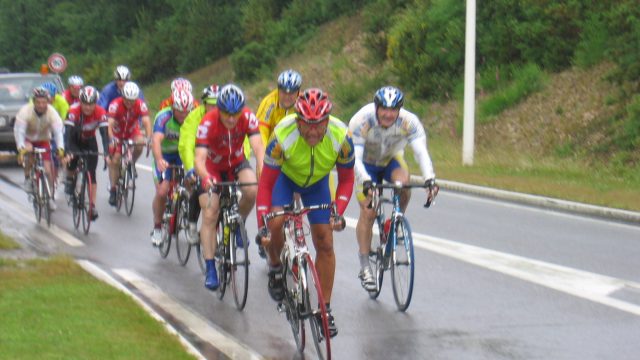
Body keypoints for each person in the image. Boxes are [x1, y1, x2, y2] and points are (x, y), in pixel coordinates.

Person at [255, 88, 355, 338]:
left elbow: (346, 180)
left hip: (318, 184)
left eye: (318, 125)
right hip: (285, 180)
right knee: (276, 223)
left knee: (325, 241)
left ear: (327, 121)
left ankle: (325, 309)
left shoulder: (341, 137)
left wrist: (337, 212)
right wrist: (263, 226)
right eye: (307, 124)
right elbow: (265, 185)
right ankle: (276, 268)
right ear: (298, 121)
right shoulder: (281, 137)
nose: (312, 131)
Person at [348, 86, 438, 291]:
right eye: (384, 110)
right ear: (376, 107)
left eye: (393, 110)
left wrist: (430, 179)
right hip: (365, 164)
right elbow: (355, 158)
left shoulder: (409, 122)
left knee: (404, 183)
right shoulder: (362, 120)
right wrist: (365, 181)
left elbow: (421, 152)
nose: (388, 114)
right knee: (368, 211)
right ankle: (365, 266)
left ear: (399, 110)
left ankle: (394, 221)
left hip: (390, 159)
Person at [194, 84, 264, 290]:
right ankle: (210, 267)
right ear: (219, 110)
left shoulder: (248, 117)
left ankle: (236, 225)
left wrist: (261, 167)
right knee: (210, 213)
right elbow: (199, 159)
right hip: (212, 168)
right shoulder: (207, 123)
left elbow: (258, 147)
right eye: (226, 114)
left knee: (252, 189)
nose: (232, 119)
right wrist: (206, 178)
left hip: (235, 162)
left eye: (235, 114)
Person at [251, 69, 303, 258]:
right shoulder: (269, 103)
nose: (287, 96)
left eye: (292, 92)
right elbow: (261, 133)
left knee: (297, 189)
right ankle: (265, 230)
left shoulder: (302, 105)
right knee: (268, 191)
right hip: (272, 152)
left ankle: (295, 221)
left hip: (293, 152)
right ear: (278, 89)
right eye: (284, 91)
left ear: (298, 91)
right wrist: (262, 158)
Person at [150, 89, 195, 245]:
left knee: (193, 182)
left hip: (183, 154)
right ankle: (157, 227)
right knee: (162, 191)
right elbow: (156, 140)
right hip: (165, 155)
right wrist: (159, 159)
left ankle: (189, 217)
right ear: (173, 108)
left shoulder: (194, 117)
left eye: (186, 112)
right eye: (179, 112)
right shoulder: (163, 117)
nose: (183, 115)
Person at [178, 84, 219, 244]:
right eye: (210, 104)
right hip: (198, 157)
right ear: (204, 104)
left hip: (217, 159)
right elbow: (186, 144)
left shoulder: (228, 116)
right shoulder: (195, 116)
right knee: (196, 182)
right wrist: (190, 168)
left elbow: (243, 142)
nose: (214, 108)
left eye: (217, 104)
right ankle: (192, 222)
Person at [14, 87, 65, 210]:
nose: (41, 105)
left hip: (43, 140)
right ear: (34, 102)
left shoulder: (52, 113)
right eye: (38, 102)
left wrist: (60, 148)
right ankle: (27, 178)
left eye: (44, 102)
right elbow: (19, 132)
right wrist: (21, 149)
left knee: (48, 170)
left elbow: (58, 132)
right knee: (29, 151)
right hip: (28, 139)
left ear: (48, 102)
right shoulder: (25, 111)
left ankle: (50, 197)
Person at [63, 86, 110, 220]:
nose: (88, 107)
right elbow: (67, 134)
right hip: (74, 139)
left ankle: (92, 206)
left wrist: (107, 153)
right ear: (80, 102)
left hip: (89, 140)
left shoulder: (100, 112)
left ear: (95, 103)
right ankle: (70, 179)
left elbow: (104, 135)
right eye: (85, 104)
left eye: (91, 104)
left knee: (91, 173)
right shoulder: (73, 111)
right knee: (72, 160)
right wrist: (68, 151)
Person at [106, 81, 151, 206]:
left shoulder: (140, 105)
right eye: (127, 100)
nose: (129, 103)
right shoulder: (115, 105)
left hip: (132, 131)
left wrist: (149, 138)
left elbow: (146, 122)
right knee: (115, 160)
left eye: (132, 100)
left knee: (140, 143)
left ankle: (131, 164)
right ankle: (113, 190)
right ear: (123, 96)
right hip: (117, 134)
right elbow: (109, 124)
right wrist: (111, 138)